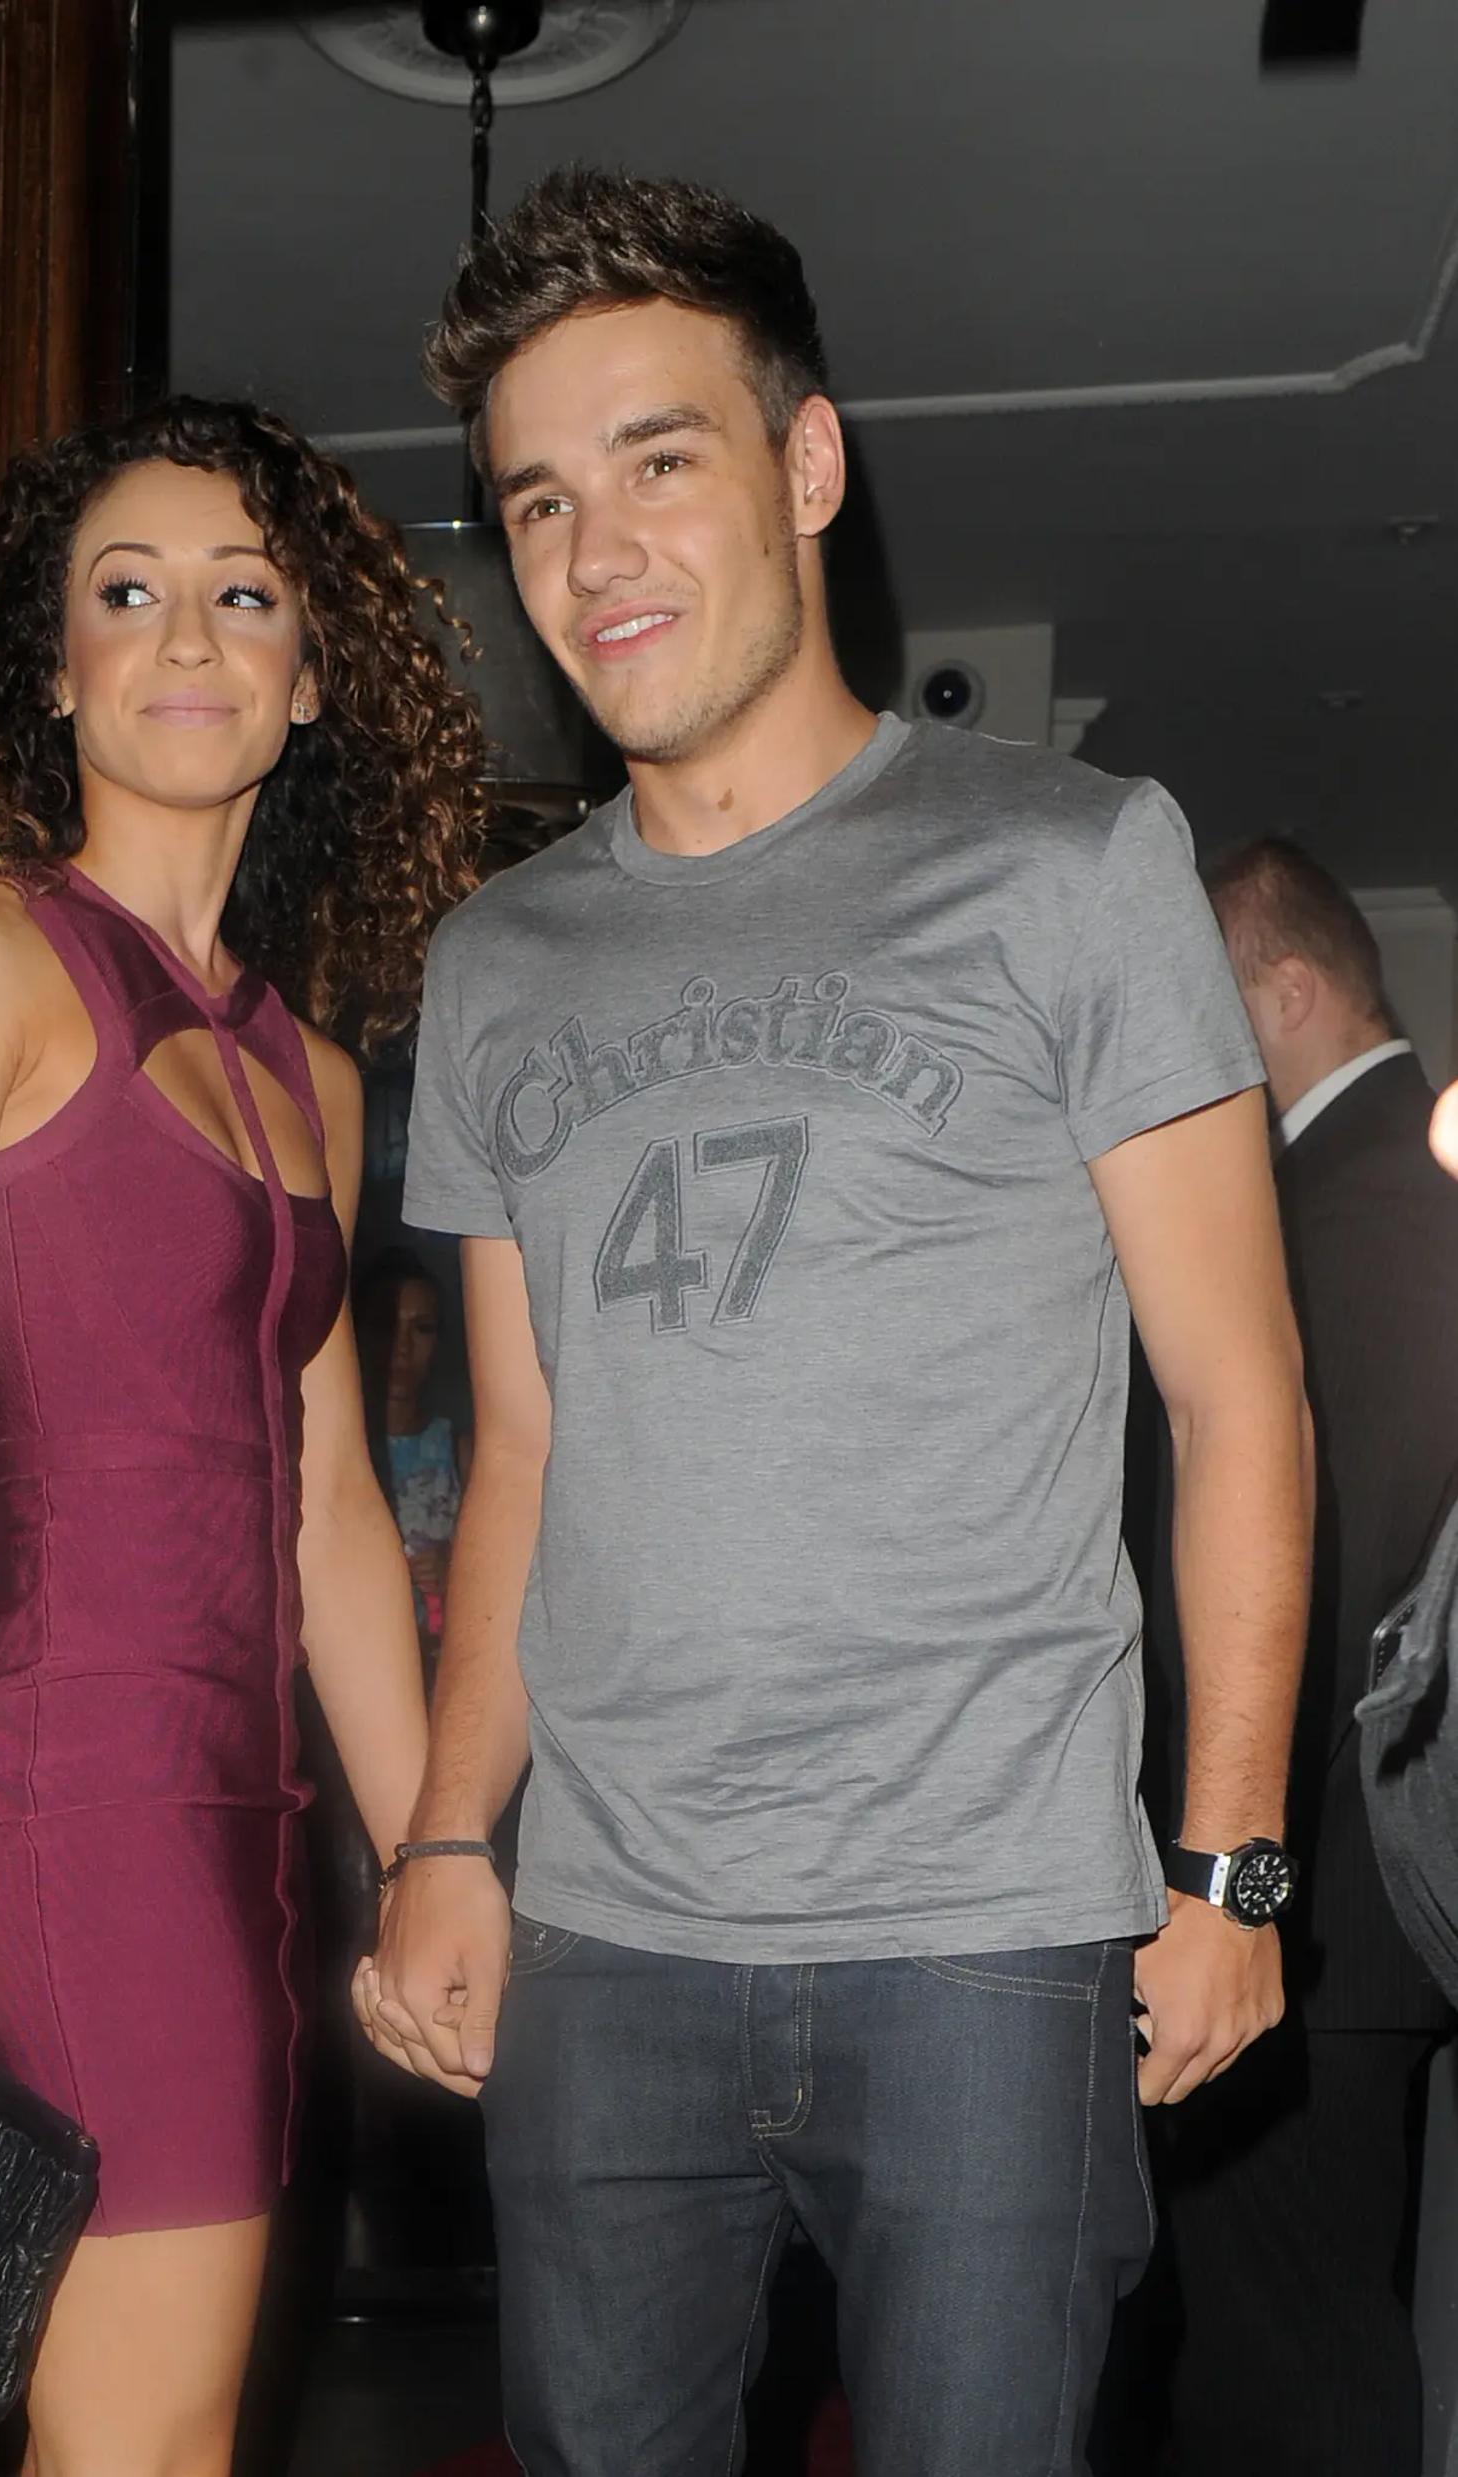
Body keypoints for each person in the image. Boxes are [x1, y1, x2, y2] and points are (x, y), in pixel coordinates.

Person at [361, 168, 1313, 2477]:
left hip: (984, 1934)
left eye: (655, 461)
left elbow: (1237, 1392)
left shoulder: (1069, 860)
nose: (593, 554)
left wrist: (1229, 1857)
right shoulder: (493, 962)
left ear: (802, 465)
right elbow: (521, 1448)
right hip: (603, 1937)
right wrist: (446, 1833)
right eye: (537, 501)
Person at [0, 397, 485, 2477]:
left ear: (310, 677)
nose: (186, 638)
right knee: (149, 2447)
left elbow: (333, 1511)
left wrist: (435, 1854)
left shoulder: (315, 1071)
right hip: (70, 1793)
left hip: (247, 1817)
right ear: (54, 664)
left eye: (243, 596)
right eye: (128, 592)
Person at [1138, 840, 1458, 2477]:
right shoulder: (1379, 1188)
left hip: (1310, 1901)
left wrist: (1228, 1871)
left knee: (1289, 2359)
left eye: (1202, 999)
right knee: (1285, 2334)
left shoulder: (1364, 1200)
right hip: (1317, 1896)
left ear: (1286, 991)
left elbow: (1338, 1568)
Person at [353, 1247, 470, 1651]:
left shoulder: (462, 1453)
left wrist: (454, 1569)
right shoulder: (334, 1454)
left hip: (441, 1661)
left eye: (420, 1328)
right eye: (386, 1325)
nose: (401, 1346)